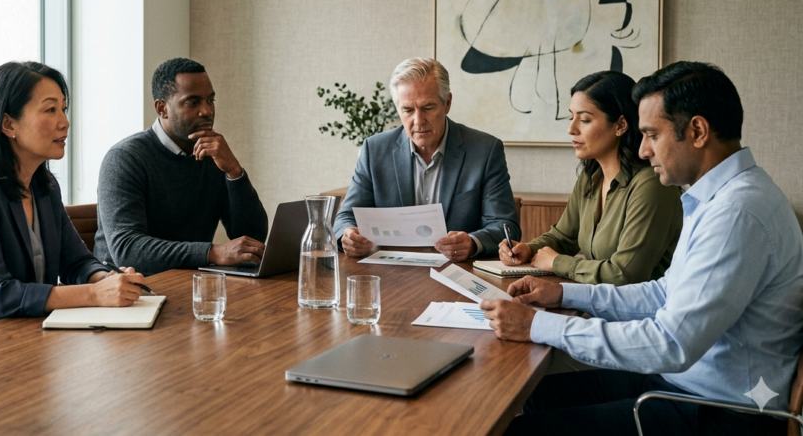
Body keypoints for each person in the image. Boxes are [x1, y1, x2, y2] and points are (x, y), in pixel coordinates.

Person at [482, 62, 803, 435]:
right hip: (685, 385)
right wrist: (565, 293)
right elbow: (665, 292)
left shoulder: (736, 213)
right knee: (536, 395)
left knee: (521, 430)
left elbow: (669, 343)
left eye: (651, 134)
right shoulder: (720, 198)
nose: (644, 149)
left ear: (697, 131)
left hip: (720, 411)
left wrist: (538, 324)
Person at [0, 62, 145, 346]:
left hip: (17, 340)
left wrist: (106, 279)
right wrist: (94, 294)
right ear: (8, 124)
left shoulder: (44, 186)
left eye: (64, 109)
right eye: (50, 109)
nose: (65, 122)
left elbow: (77, 261)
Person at [499, 71, 683, 285]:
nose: (571, 129)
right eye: (571, 117)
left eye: (584, 119)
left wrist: (557, 262)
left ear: (621, 125)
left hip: (637, 313)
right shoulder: (590, 177)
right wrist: (528, 249)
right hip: (597, 302)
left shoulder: (652, 184)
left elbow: (624, 274)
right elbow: (563, 237)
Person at [333, 57, 519, 262]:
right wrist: (347, 235)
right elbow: (345, 218)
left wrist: (473, 242)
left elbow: (505, 226)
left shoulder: (485, 151)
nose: (418, 121)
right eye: (408, 110)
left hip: (458, 273)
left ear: (447, 103)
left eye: (428, 108)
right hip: (391, 274)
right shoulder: (374, 150)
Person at [94, 58, 268, 276]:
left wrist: (234, 173)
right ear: (162, 108)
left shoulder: (213, 155)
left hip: (189, 285)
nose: (207, 111)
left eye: (210, 100)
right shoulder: (124, 158)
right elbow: (127, 250)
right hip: (128, 293)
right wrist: (211, 253)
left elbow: (253, 242)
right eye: (193, 102)